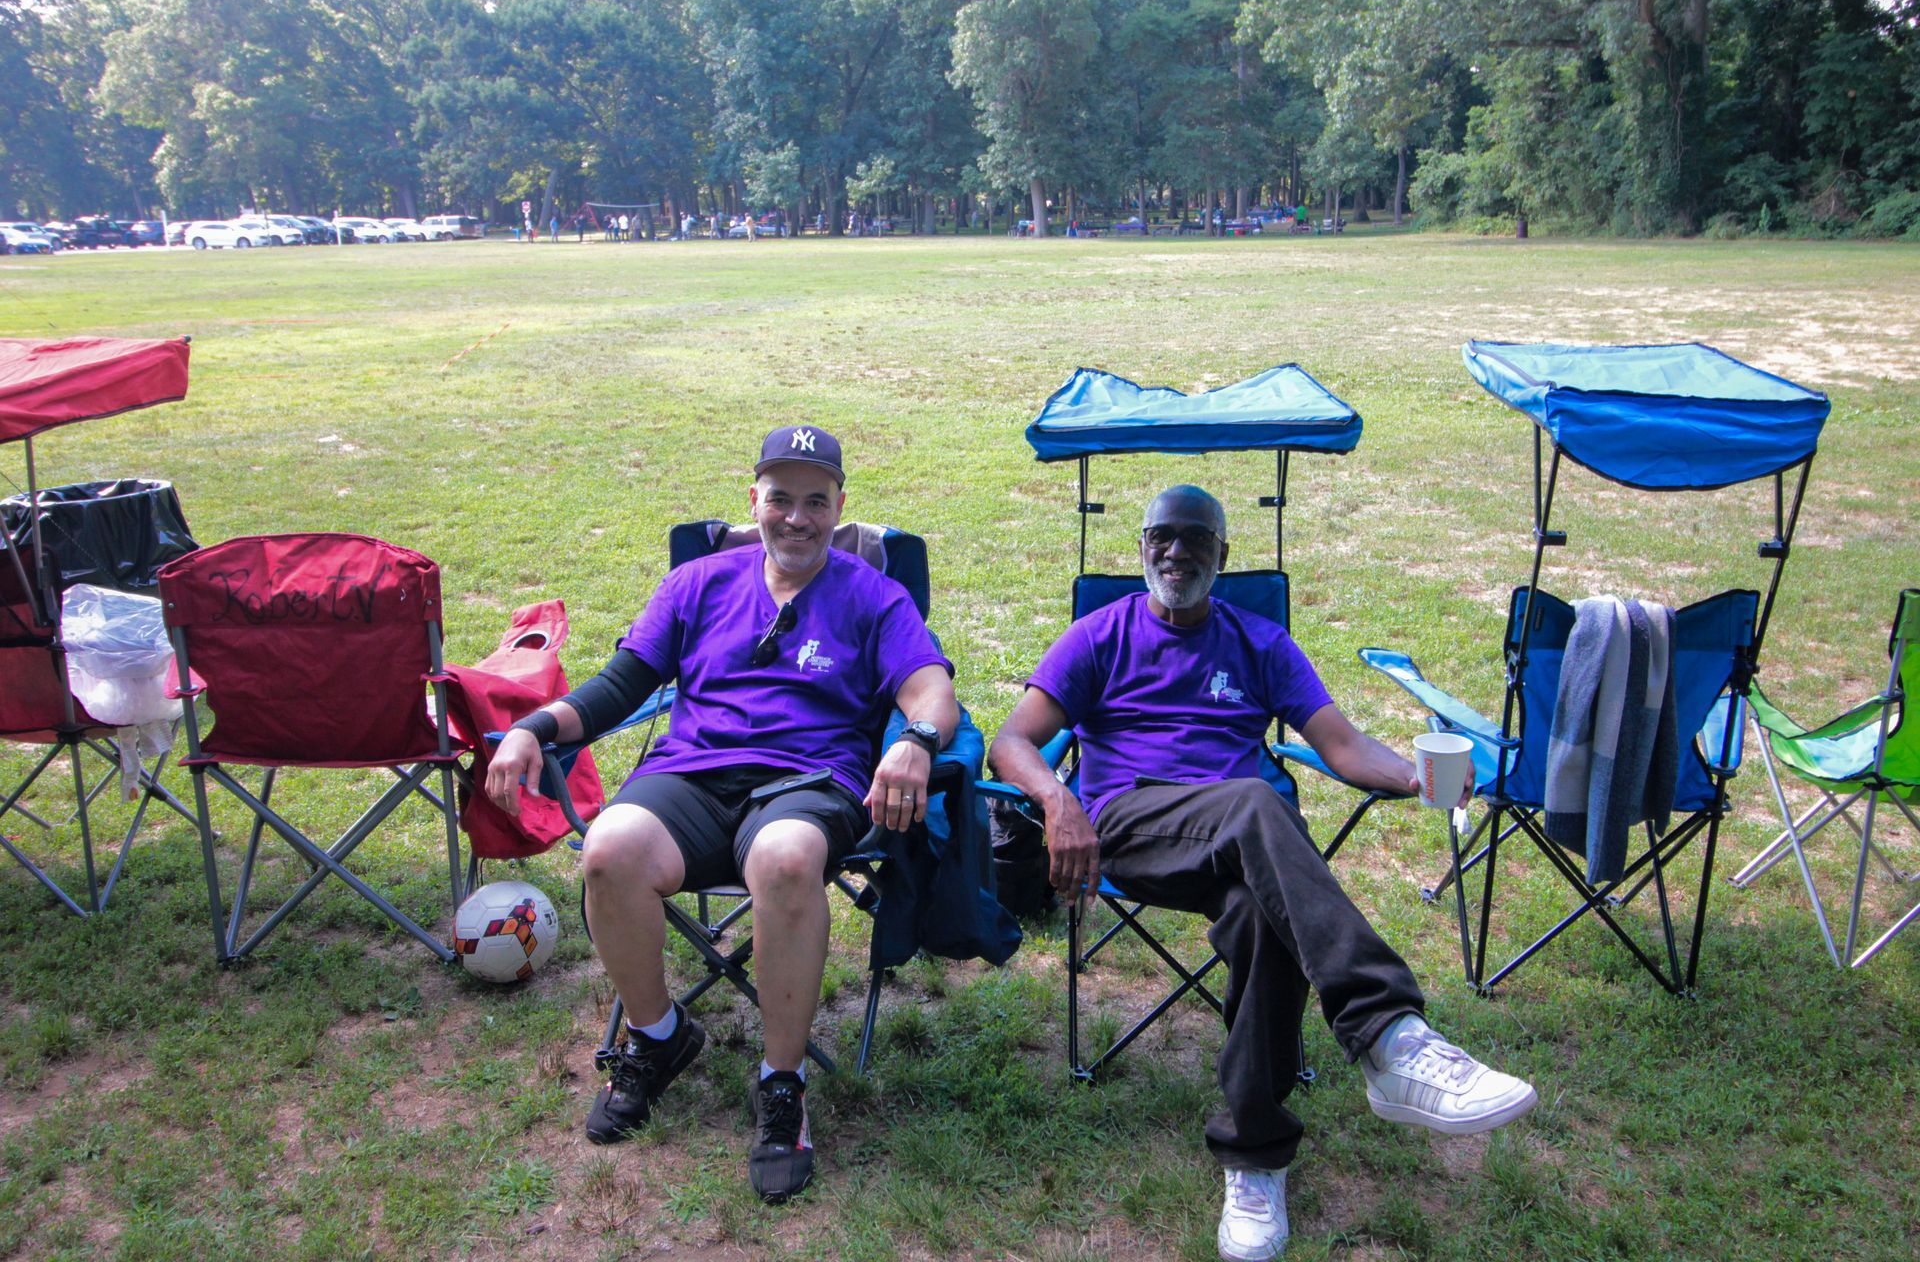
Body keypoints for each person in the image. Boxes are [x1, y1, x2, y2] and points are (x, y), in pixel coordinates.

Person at [987, 485, 1536, 1262]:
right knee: (1254, 801)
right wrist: (1055, 800)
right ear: (1141, 546)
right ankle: (1387, 1033)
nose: (1178, 553)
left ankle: (1256, 1157)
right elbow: (1011, 740)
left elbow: (1342, 746)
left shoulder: (1261, 644)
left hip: (1230, 845)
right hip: (1130, 826)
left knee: (1259, 910)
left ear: (1223, 556)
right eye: (1163, 538)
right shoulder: (1098, 635)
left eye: (1197, 540)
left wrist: (1417, 776)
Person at [487, 425, 958, 1205]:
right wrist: (534, 729)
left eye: (816, 501)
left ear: (840, 506)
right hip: (693, 777)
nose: (797, 518)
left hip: (809, 780)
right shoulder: (698, 583)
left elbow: (929, 686)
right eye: (780, 499)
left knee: (784, 859)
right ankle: (660, 1036)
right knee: (610, 847)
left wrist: (913, 739)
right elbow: (620, 685)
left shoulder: (876, 595)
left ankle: (782, 1083)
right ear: (755, 502)